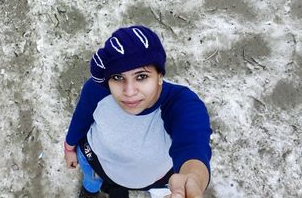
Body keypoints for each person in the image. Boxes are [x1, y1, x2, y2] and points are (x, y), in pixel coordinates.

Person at [63, 25, 212, 198]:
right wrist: (69, 148)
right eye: (118, 77)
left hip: (150, 179)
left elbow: (192, 144)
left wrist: (192, 178)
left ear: (160, 75)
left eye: (141, 76)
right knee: (91, 181)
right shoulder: (97, 90)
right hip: (96, 161)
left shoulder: (181, 104)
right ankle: (90, 191)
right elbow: (81, 119)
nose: (129, 92)